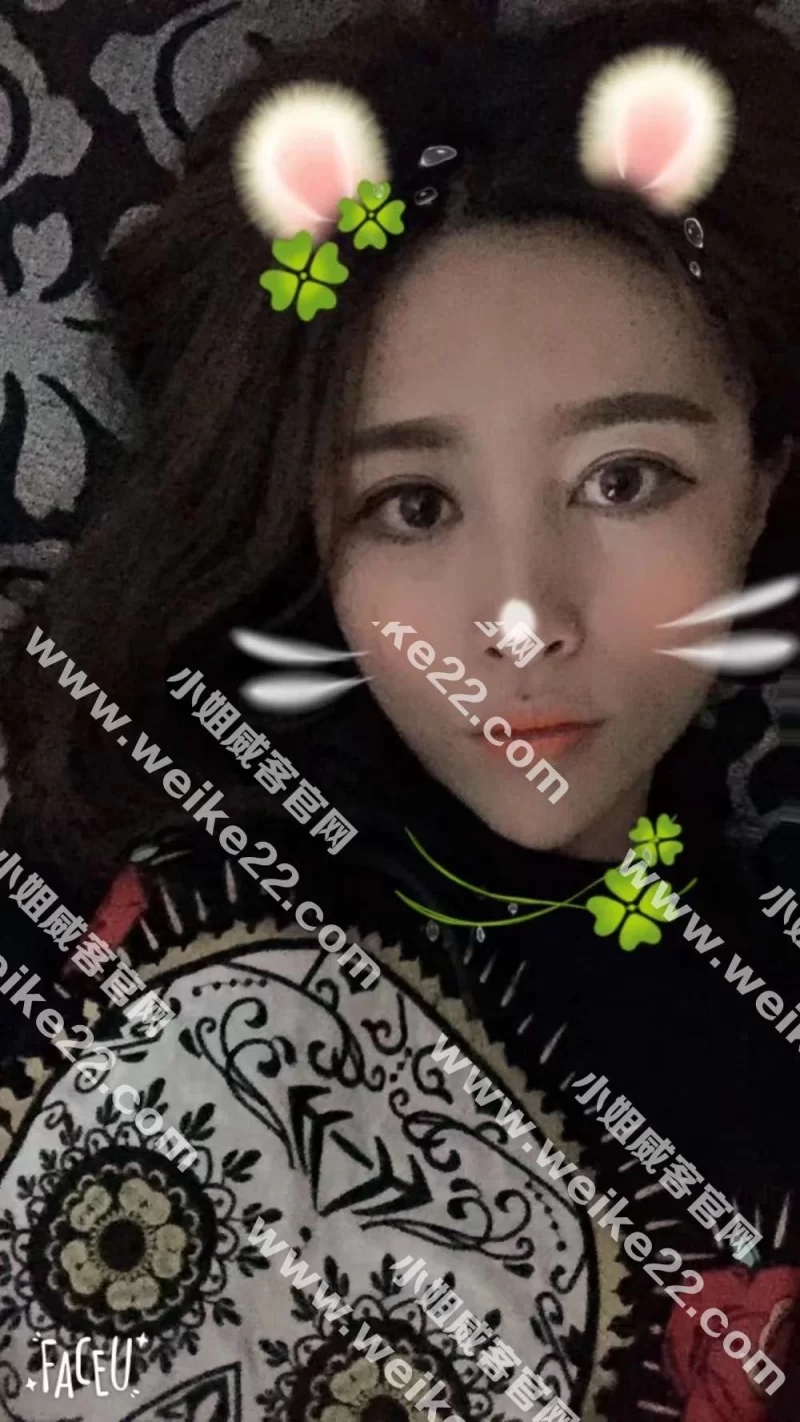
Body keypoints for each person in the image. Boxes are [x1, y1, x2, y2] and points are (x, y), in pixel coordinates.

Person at [0, 2, 798, 1417]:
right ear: (316, 526)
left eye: (625, 480)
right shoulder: (96, 835)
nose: (521, 619)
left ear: (762, 486)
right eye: (414, 505)